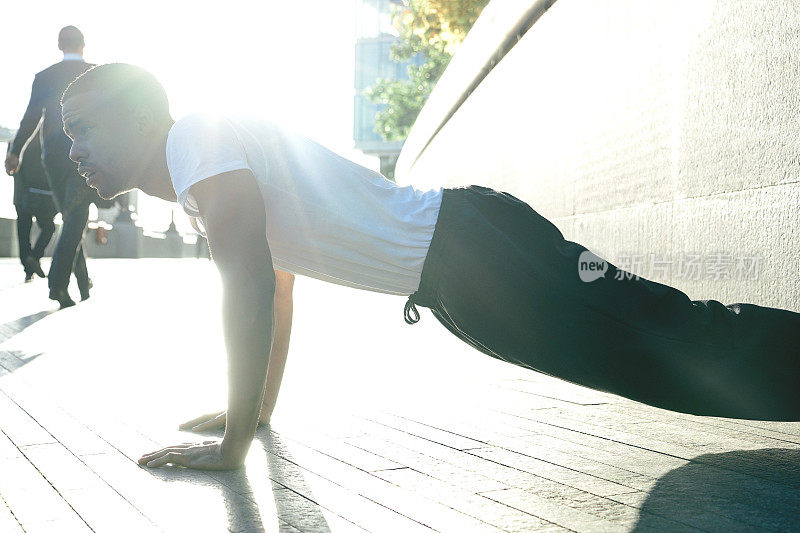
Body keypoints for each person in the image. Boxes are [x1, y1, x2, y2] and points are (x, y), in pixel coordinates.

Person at [57, 63, 800, 471]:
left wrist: (233, 445)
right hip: (461, 280)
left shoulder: (196, 140)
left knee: (679, 342)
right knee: (663, 357)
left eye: (83, 129)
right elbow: (277, 286)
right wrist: (254, 411)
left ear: (137, 113)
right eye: (69, 139)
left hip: (476, 252)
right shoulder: (204, 171)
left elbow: (248, 286)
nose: (76, 153)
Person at [5, 26, 96, 308]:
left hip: (53, 158)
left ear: (59, 45)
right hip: (85, 153)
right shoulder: (94, 74)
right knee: (76, 219)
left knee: (71, 218)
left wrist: (15, 151)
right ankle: (58, 285)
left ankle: (84, 284)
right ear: (83, 45)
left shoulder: (44, 77)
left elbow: (31, 117)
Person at [7, 133, 58, 282]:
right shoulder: (42, 141)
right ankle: (35, 257)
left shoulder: (13, 143)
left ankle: (28, 270)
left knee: (23, 233)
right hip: (39, 195)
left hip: (20, 195)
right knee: (49, 227)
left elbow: (10, 170)